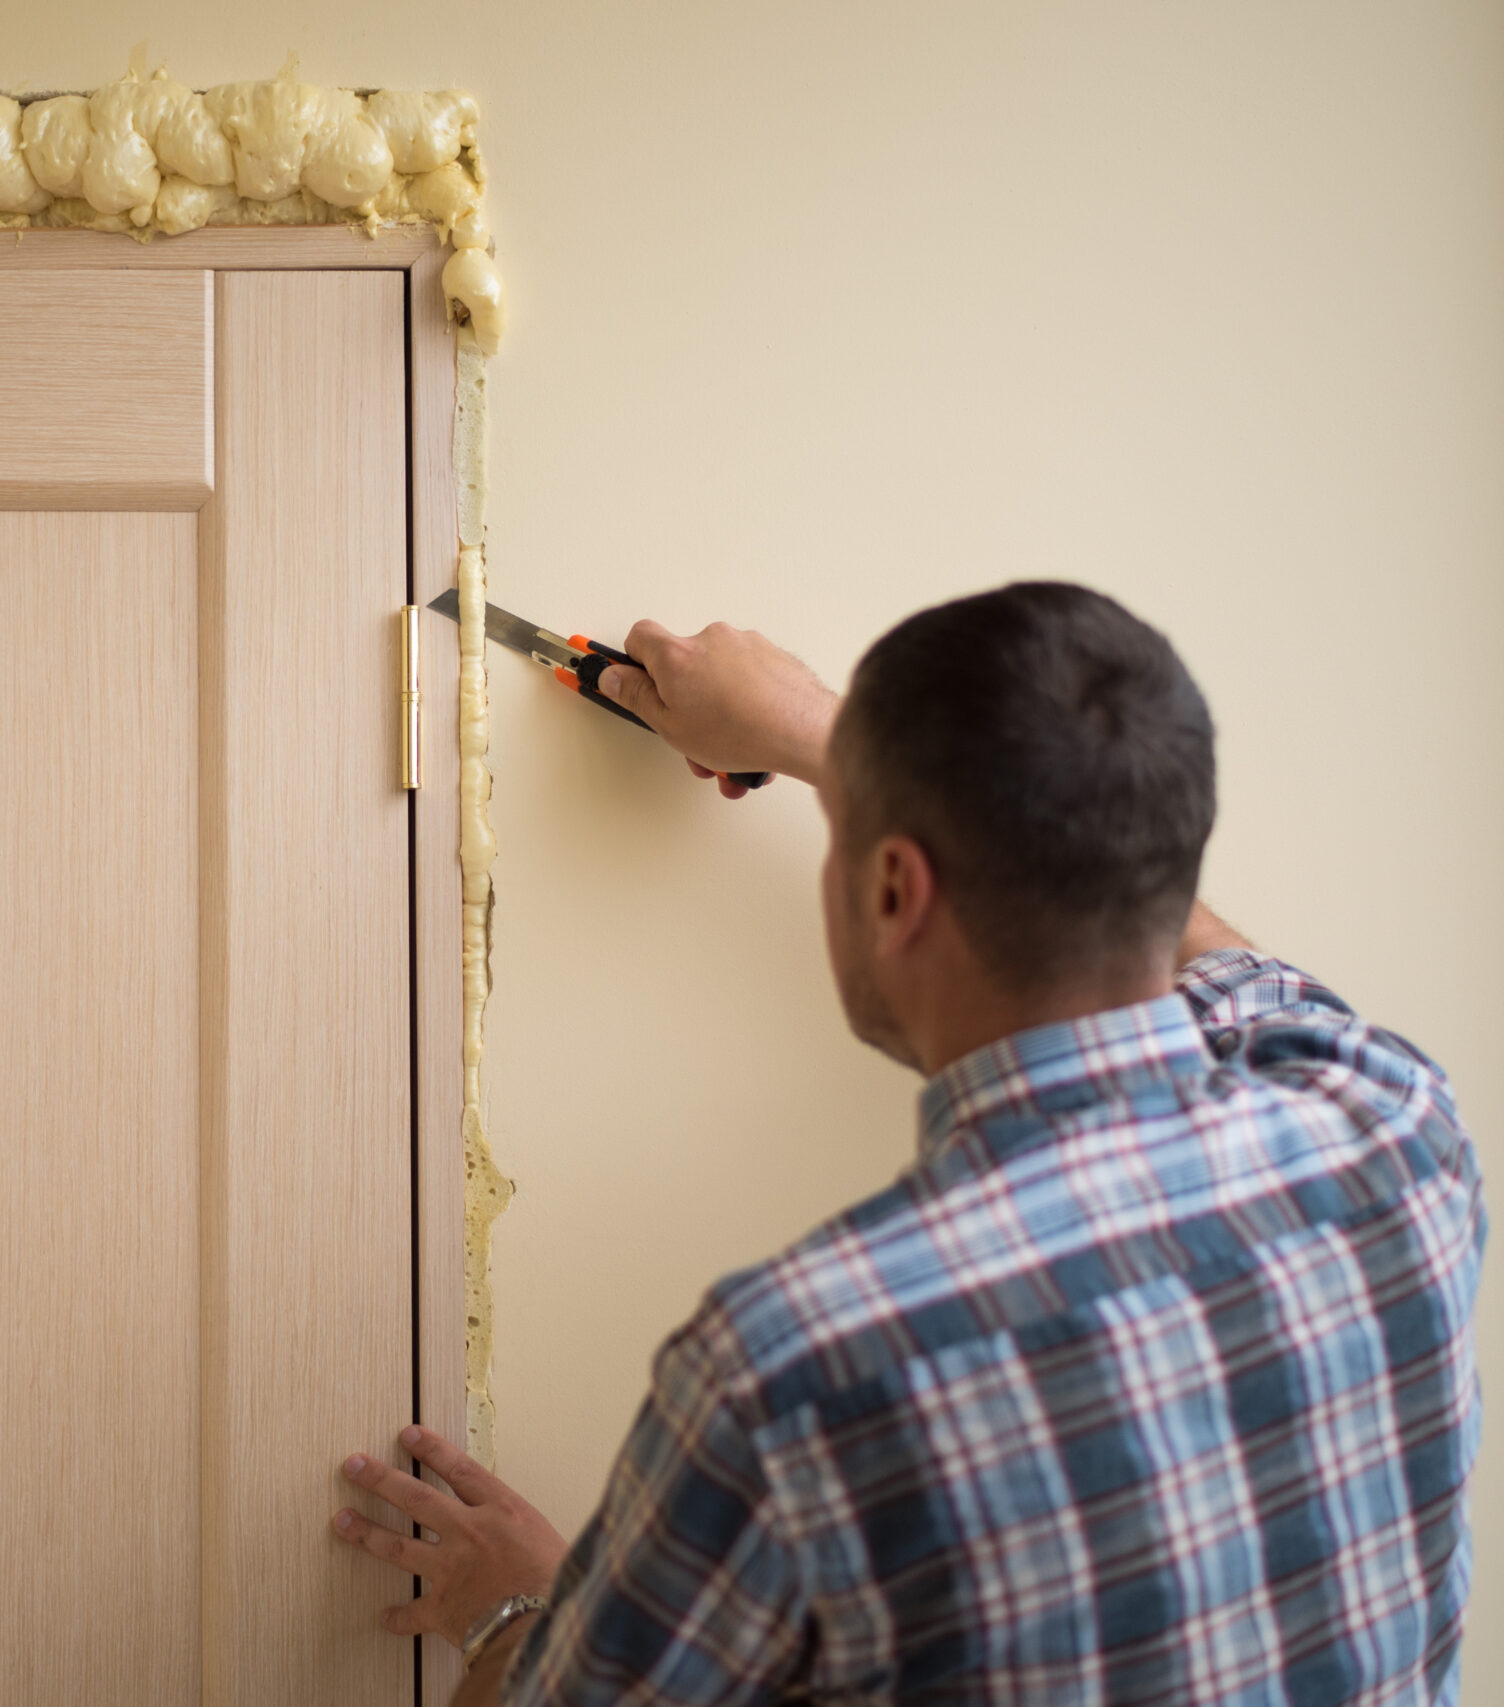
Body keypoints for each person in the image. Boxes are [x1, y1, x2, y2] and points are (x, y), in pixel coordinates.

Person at [332, 583, 1482, 1705]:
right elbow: (1215, 953)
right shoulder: (1390, 1124)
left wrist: (521, 1610)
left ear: (893, 885)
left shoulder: (802, 1371)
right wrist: (839, 743)